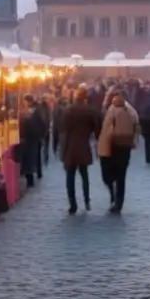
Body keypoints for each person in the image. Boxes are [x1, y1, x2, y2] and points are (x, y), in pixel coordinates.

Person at [99, 90, 139, 213]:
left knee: (108, 173)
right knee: (121, 176)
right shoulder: (131, 110)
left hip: (113, 146)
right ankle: (119, 202)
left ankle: (113, 195)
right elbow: (136, 125)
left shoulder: (112, 110)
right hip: (125, 146)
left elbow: (107, 131)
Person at [61, 87, 97, 215]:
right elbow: (95, 125)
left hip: (70, 146)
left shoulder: (69, 110)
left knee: (70, 177)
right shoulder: (89, 110)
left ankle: (73, 204)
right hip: (83, 145)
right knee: (84, 175)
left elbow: (63, 128)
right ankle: (86, 200)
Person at [19, 95, 47, 189]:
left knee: (30, 159)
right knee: (35, 157)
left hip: (31, 138)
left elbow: (40, 124)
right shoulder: (35, 111)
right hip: (34, 138)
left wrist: (39, 135)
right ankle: (37, 173)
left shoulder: (33, 112)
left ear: (28, 101)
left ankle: (31, 179)